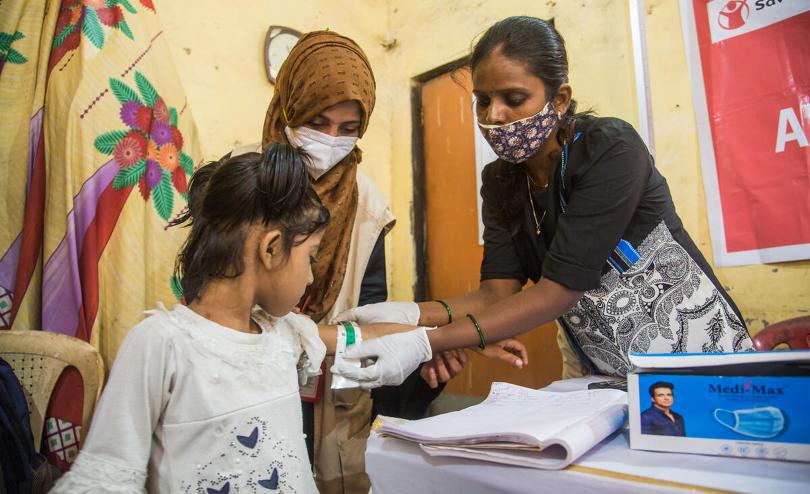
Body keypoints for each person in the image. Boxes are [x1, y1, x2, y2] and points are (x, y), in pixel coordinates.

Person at [333, 16, 753, 389]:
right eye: (483, 99)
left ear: (560, 99)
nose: (494, 114)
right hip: (605, 372)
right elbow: (495, 293)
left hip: (698, 353)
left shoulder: (610, 149)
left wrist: (423, 342)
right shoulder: (500, 180)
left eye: (513, 99)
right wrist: (411, 314)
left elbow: (558, 292)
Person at [250, 30, 526, 493]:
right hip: (252, 392)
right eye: (317, 122)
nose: (331, 141)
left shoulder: (367, 204)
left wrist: (430, 347)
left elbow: (364, 314)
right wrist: (433, 337)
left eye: (349, 128)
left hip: (334, 399)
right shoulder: (241, 185)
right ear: (288, 108)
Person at [49, 145, 413, 493]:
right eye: (311, 257)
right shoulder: (162, 344)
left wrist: (429, 337)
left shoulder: (283, 335)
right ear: (271, 249)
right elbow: (107, 476)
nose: (311, 278)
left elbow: (359, 336)